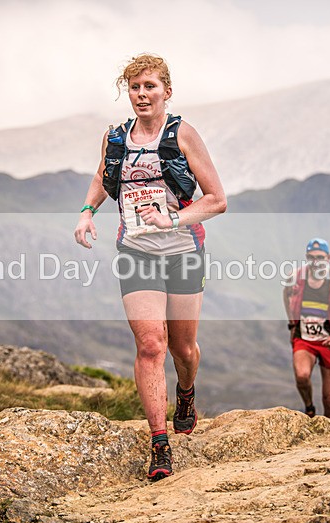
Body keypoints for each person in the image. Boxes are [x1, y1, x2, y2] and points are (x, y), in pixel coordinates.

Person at [74, 54, 227, 481]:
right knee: (150, 345)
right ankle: (159, 443)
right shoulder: (116, 138)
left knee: (183, 349)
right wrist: (87, 211)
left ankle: (186, 391)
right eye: (135, 87)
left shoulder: (184, 136)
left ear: (167, 91)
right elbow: (104, 177)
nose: (142, 95)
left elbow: (217, 199)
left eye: (150, 87)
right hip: (136, 251)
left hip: (183, 250)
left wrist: (174, 218)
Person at [282, 238, 330, 421]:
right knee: (301, 376)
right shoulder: (295, 277)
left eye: (319, 257)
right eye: (311, 257)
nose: (315, 262)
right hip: (305, 339)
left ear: (328, 258)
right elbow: (286, 296)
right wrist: (292, 324)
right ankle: (309, 408)